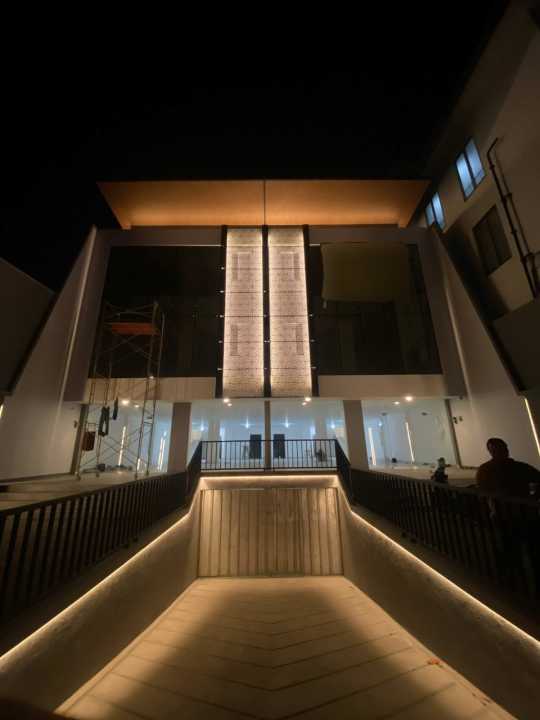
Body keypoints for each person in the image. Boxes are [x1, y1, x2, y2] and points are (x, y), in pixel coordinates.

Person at [476, 438, 540, 498]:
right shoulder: (520, 467)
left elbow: (482, 492)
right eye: (498, 450)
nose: (502, 451)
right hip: (521, 504)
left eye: (502, 449)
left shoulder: (484, 470)